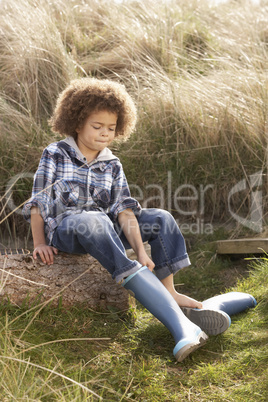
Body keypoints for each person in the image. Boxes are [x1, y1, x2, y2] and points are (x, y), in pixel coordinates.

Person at [23, 78, 231, 362]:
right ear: (76, 123)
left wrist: (142, 251)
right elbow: (39, 201)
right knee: (92, 219)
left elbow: (123, 210)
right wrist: (39, 242)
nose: (105, 134)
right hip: (68, 230)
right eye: (97, 127)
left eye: (111, 128)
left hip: (107, 229)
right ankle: (169, 315)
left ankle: (169, 292)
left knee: (161, 218)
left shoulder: (112, 163)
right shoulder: (55, 153)